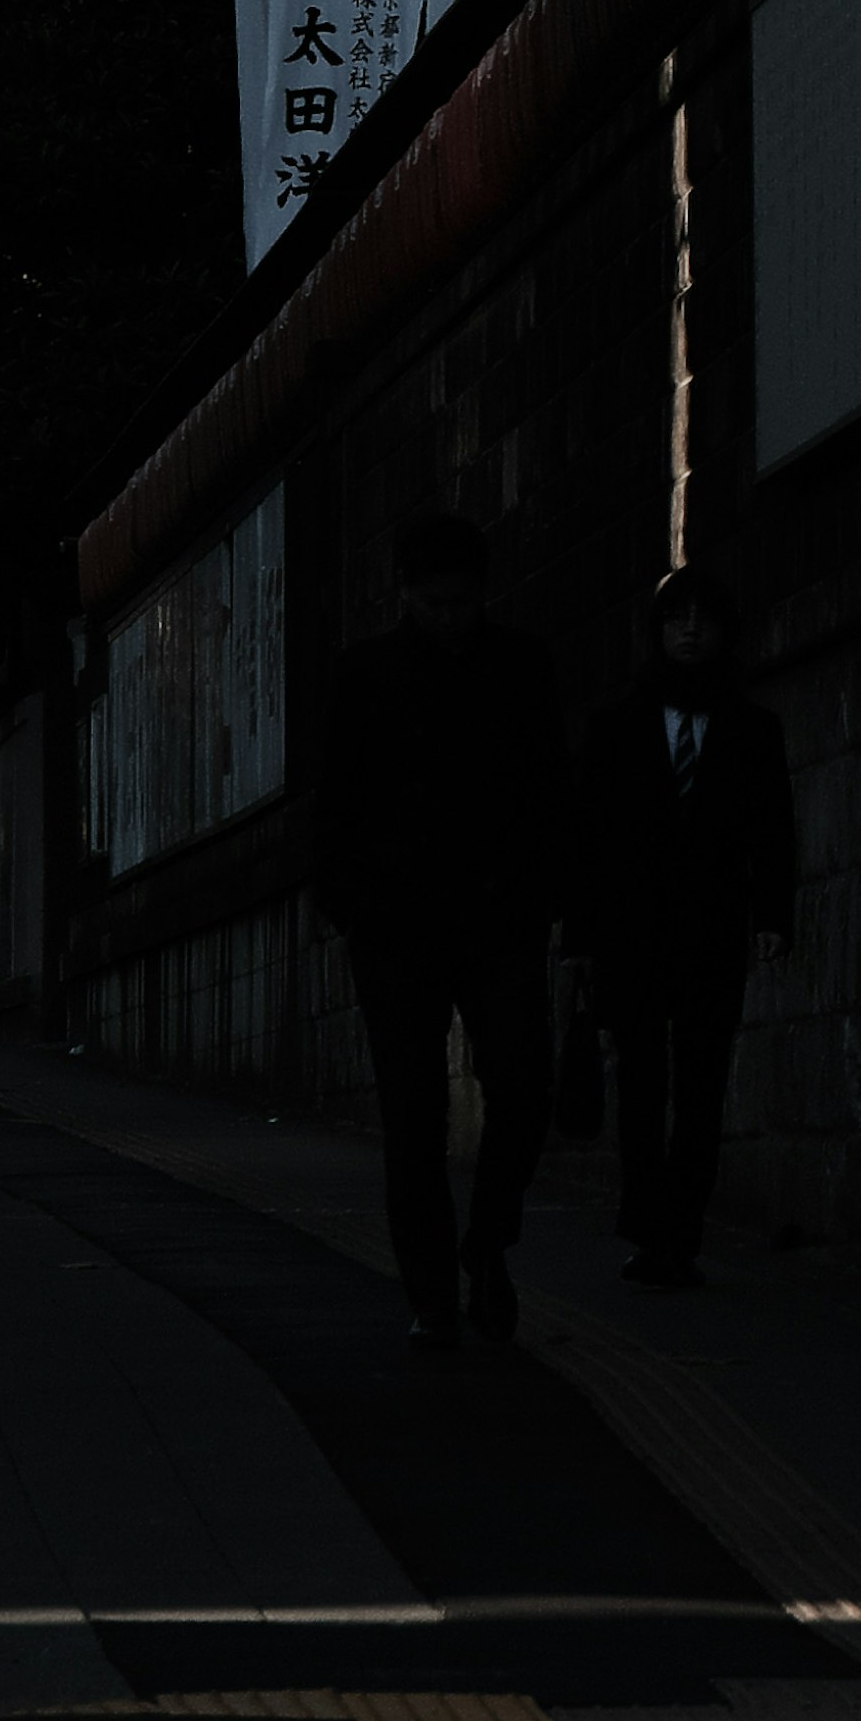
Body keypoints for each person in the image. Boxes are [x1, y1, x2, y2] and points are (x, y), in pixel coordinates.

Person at [308, 510, 568, 1350]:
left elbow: (552, 788)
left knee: (523, 1090)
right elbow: (335, 799)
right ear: (409, 597)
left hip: (495, 917)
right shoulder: (367, 677)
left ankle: (483, 1245)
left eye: (460, 603)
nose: (450, 618)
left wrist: (547, 891)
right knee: (413, 1116)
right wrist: (347, 902)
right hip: (400, 925)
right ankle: (434, 1291)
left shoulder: (524, 670)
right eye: (434, 604)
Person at [566, 562, 794, 1290]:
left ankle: (681, 1233)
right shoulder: (616, 727)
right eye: (676, 620)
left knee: (701, 1088)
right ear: (656, 633)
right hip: (633, 932)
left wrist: (773, 916)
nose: (689, 632)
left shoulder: (753, 730)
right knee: (641, 1085)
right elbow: (589, 840)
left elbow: (773, 831)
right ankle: (649, 1225)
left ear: (725, 632)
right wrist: (582, 937)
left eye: (703, 620)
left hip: (713, 930)